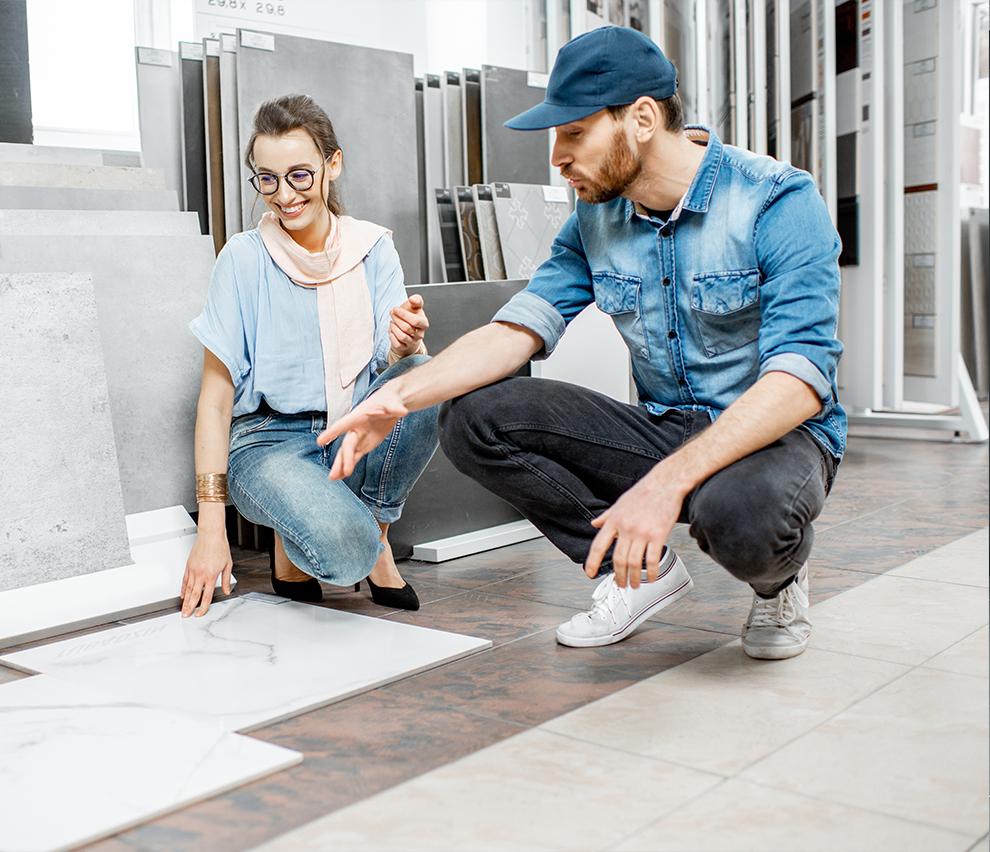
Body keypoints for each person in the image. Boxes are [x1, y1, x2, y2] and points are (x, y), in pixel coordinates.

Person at [319, 26, 845, 660]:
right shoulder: (596, 218)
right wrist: (400, 395)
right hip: (666, 425)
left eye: (574, 133)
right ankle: (638, 574)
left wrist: (666, 484)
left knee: (738, 519)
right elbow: (516, 332)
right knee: (473, 416)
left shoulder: (777, 202)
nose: (556, 157)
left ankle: (779, 581)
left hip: (775, 439)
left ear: (643, 118)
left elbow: (801, 377)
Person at [180, 94, 440, 618]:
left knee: (425, 374)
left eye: (300, 175)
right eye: (268, 178)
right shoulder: (243, 259)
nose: (284, 195)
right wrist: (210, 528)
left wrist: (406, 345)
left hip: (353, 428)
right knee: (344, 557)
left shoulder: (372, 248)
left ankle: (375, 532)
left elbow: (396, 376)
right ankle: (346, 539)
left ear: (332, 164)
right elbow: (214, 401)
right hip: (271, 442)